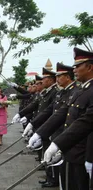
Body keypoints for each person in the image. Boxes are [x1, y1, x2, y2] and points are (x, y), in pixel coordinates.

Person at [36, 47, 93, 190]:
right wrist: (38, 131)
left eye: (78, 66)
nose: (74, 70)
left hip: (82, 152)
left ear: (90, 67)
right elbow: (61, 113)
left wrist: (90, 157)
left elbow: (86, 122)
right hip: (71, 149)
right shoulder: (81, 90)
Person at [26, 62, 78, 188]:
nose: (58, 78)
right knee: (63, 175)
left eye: (60, 76)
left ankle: (53, 179)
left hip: (68, 136)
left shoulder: (73, 91)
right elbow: (51, 111)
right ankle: (52, 178)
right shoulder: (62, 92)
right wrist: (35, 127)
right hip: (55, 132)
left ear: (67, 77)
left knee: (72, 178)